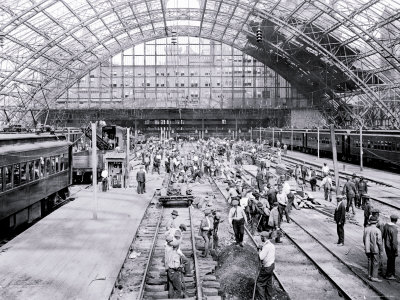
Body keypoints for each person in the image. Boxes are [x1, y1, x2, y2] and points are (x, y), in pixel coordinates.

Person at [256, 231, 275, 300]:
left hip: (266, 268)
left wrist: (259, 250)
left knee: (260, 283)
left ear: (264, 237)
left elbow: (261, 257)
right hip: (272, 266)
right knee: (268, 284)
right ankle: (269, 298)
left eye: (261, 237)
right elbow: (267, 251)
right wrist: (262, 248)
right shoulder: (271, 245)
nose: (261, 238)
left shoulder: (266, 247)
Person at [363, 215, 383, 282]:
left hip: (368, 248)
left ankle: (369, 275)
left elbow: (364, 239)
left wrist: (366, 246)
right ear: (376, 222)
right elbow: (379, 242)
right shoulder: (378, 230)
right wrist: (381, 250)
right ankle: (374, 277)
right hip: (375, 249)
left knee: (369, 261)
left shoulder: (366, 229)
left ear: (370, 222)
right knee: (375, 262)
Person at [382, 215, 398, 280]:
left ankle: (390, 274)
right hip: (391, 247)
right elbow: (394, 242)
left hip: (386, 245)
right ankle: (389, 275)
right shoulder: (394, 229)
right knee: (391, 261)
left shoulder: (386, 225)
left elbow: (383, 235)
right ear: (396, 220)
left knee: (389, 259)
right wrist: (396, 250)